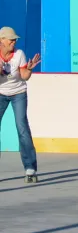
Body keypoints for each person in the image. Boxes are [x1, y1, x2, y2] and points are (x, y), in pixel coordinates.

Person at [0, 26, 41, 183]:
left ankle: (30, 168)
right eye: (11, 39)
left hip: (18, 93)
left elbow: (24, 76)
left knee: (22, 126)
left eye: (15, 40)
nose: (14, 42)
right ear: (1, 41)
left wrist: (29, 69)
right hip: (0, 93)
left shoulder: (19, 54)